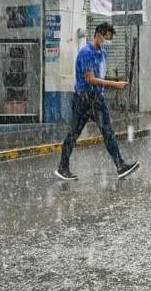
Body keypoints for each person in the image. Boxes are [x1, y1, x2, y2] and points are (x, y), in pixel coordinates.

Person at [55, 22, 140, 181]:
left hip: (97, 98)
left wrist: (113, 81)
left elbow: (99, 78)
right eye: (107, 38)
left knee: (108, 132)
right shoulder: (86, 53)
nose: (108, 41)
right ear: (99, 34)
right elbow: (90, 79)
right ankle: (62, 167)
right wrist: (114, 84)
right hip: (83, 99)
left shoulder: (102, 53)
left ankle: (120, 165)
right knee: (73, 133)